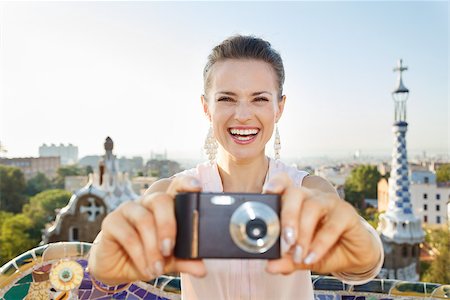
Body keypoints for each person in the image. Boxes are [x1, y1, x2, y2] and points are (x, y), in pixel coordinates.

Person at [88, 35, 383, 299]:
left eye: (260, 99)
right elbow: (102, 267)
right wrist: (113, 247)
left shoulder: (308, 190)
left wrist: (356, 238)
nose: (243, 115)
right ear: (206, 107)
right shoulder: (173, 193)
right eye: (227, 99)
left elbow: (364, 266)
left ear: (279, 107)